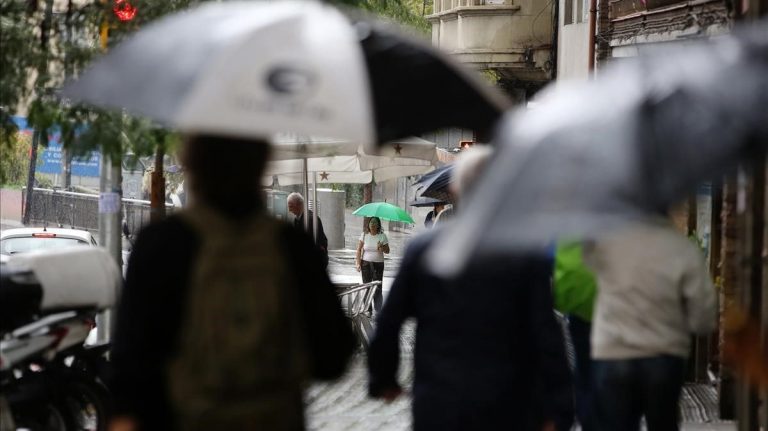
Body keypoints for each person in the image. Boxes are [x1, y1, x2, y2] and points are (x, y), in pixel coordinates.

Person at [109, 135, 355, 431]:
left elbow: (130, 362)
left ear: (190, 162)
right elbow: (333, 356)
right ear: (263, 161)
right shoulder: (290, 246)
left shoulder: (161, 242)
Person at [368, 146, 574, 431]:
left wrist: (383, 378)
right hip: (507, 403)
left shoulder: (423, 249)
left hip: (440, 400)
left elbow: (389, 321)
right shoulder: (524, 253)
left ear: (455, 188)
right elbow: (545, 333)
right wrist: (559, 408)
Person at [583, 218, 717, 431]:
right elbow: (703, 317)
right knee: (663, 423)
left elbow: (586, 259)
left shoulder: (607, 244)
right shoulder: (681, 249)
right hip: (664, 353)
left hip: (614, 352)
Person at [553, 241, 598, 431]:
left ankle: (588, 421)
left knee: (584, 370)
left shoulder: (570, 227)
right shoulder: (617, 223)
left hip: (581, 310)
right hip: (614, 310)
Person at [355, 216, 389, 312]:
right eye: (371, 222)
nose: (372, 224)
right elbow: (358, 250)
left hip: (378, 264)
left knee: (378, 287)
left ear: (378, 225)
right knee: (367, 286)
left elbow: (388, 251)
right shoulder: (364, 235)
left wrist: (382, 248)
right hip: (365, 264)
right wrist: (358, 263)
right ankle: (367, 309)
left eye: (375, 222)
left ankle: (378, 310)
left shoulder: (382, 236)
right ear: (368, 225)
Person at [287, 192, 329, 268]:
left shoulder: (310, 219)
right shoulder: (298, 219)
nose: (289, 210)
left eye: (291, 206)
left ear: (299, 205)